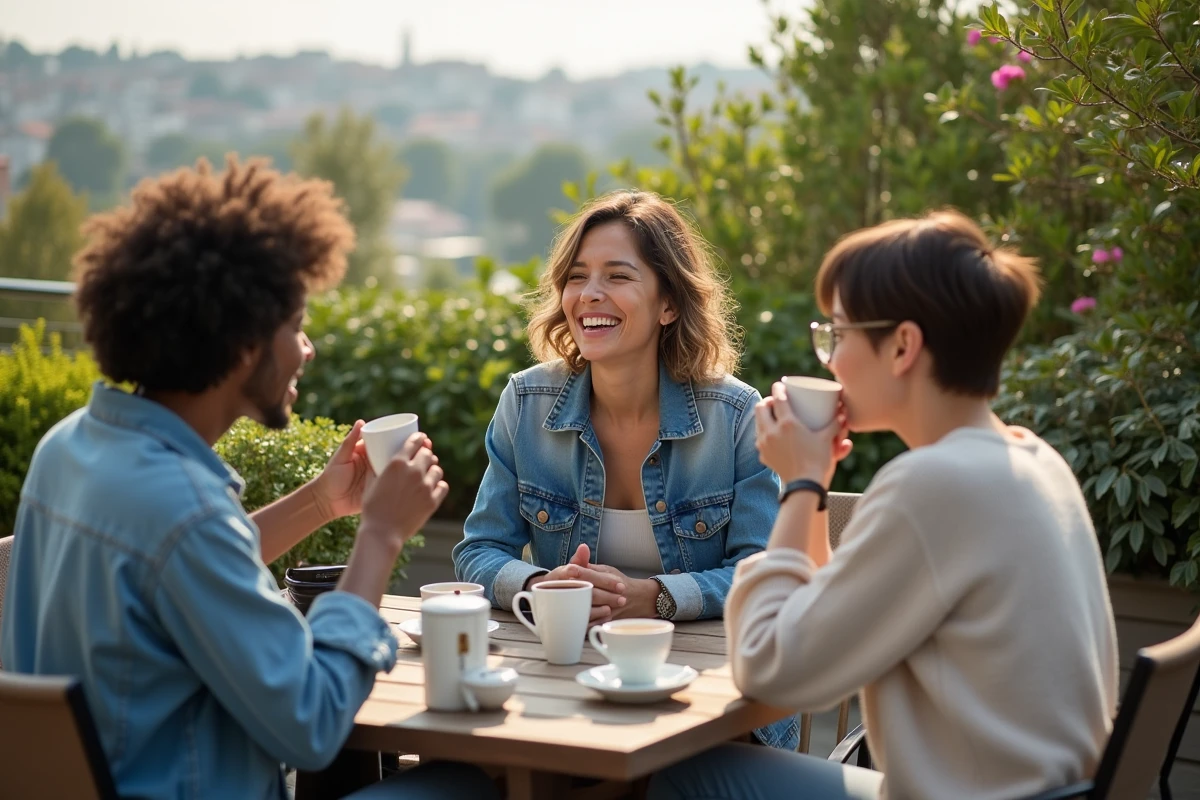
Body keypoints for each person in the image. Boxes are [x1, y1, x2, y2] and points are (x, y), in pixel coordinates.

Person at [1, 158, 497, 800]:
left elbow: (173, 570)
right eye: (294, 326)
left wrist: (323, 501)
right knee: (466, 788)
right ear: (240, 347)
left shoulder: (69, 448)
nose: (307, 348)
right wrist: (380, 535)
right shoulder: (183, 510)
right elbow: (313, 725)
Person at [649, 210, 1119, 800]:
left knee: (681, 775)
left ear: (902, 346)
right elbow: (817, 618)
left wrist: (798, 482)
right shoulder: (1030, 458)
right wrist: (814, 483)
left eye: (839, 334)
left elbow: (772, 669)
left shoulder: (935, 486)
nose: (830, 358)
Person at [452, 190, 796, 749]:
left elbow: (759, 572)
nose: (590, 294)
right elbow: (477, 550)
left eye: (618, 276)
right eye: (577, 276)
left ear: (669, 304)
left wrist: (655, 597)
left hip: (709, 712)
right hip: (566, 697)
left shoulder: (734, 416)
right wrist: (540, 586)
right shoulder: (526, 402)